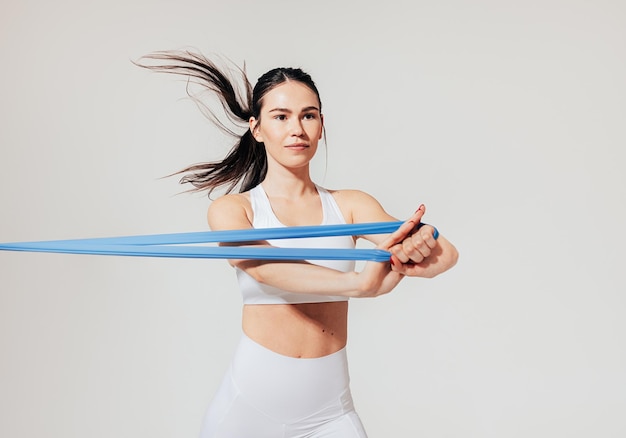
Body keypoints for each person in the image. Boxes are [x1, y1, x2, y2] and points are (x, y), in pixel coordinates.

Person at [136, 50, 458, 438]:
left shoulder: (351, 205)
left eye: (308, 115)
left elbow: (446, 256)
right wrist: (360, 284)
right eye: (281, 116)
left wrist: (421, 245)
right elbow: (268, 267)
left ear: (321, 125)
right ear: (256, 128)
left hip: (330, 415)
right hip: (246, 413)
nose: (297, 129)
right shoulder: (232, 210)